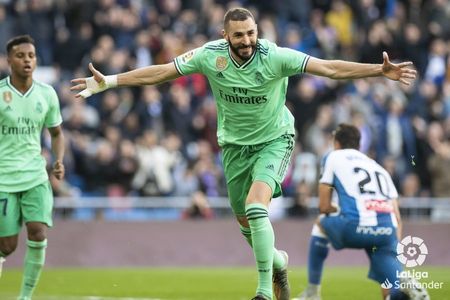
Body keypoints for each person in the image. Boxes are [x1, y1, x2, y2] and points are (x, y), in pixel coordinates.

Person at [70, 8, 416, 300]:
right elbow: (162, 72)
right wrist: (110, 81)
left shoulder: (275, 56)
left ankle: (264, 291)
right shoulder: (210, 56)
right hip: (234, 148)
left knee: (256, 206)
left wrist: (377, 71)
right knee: (245, 220)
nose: (247, 40)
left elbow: (329, 68)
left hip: (275, 141)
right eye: (239, 36)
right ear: (225, 35)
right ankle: (278, 263)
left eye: (251, 33)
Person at [295, 124, 429, 300]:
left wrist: (339, 210)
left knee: (321, 223)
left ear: (336, 142)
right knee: (391, 289)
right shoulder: (378, 167)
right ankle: (402, 293)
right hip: (386, 230)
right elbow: (397, 217)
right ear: (358, 144)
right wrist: (392, 249)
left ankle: (312, 292)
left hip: (354, 225)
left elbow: (324, 206)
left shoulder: (333, 156)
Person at [0, 35, 65, 300]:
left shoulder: (47, 94)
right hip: (3, 178)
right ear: (8, 60)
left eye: (31, 56)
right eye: (20, 55)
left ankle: (24, 298)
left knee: (38, 231)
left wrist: (59, 161)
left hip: (36, 176)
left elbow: (57, 133)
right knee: (7, 246)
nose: (27, 60)